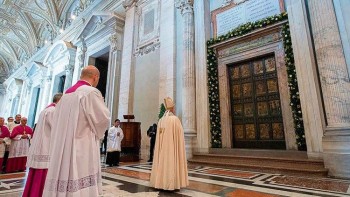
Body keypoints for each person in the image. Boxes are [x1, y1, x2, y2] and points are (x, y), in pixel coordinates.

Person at [43, 65, 110, 196]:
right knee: (80, 173)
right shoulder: (91, 92)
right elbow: (103, 119)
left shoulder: (66, 95)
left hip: (62, 144)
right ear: (95, 77)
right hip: (82, 143)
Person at [23, 93, 63, 197]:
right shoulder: (53, 111)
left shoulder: (45, 110)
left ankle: (32, 193)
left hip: (42, 145)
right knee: (43, 172)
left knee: (38, 172)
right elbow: (57, 128)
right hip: (46, 146)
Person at [150, 97, 189, 190]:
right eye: (174, 107)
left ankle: (160, 183)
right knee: (171, 163)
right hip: (172, 148)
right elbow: (180, 135)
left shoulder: (161, 120)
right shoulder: (175, 119)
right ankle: (172, 184)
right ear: (172, 108)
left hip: (162, 149)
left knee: (162, 163)